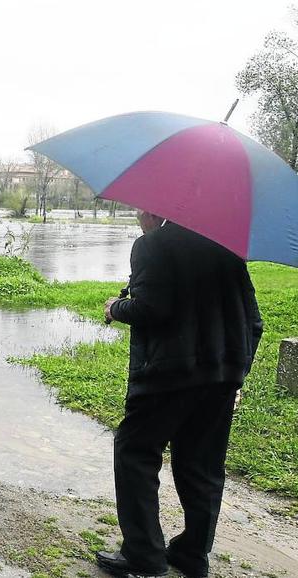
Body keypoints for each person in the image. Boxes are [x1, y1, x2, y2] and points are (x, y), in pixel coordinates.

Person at [96, 211, 263, 578]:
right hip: (221, 376)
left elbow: (151, 308)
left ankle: (144, 556)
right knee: (202, 466)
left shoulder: (152, 245)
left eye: (141, 207)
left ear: (155, 210)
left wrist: (115, 307)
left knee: (135, 453)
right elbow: (254, 321)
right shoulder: (226, 248)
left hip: (167, 376)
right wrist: (236, 374)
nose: (138, 214)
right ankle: (191, 555)